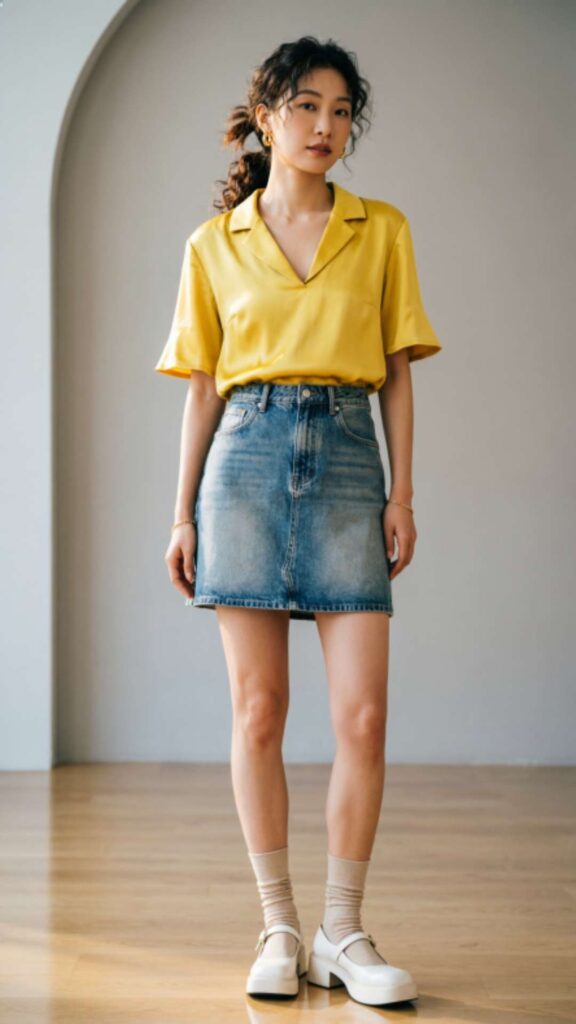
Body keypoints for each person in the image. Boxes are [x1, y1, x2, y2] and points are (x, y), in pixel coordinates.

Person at [155, 36, 441, 1006]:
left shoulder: (383, 229)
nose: (326, 126)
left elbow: (397, 372)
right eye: (307, 106)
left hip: (351, 458)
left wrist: (402, 494)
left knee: (363, 714)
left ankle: (343, 930)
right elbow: (202, 388)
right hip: (242, 461)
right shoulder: (213, 244)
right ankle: (278, 925)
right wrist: (180, 514)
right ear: (267, 115)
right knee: (259, 710)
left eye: (342, 110)